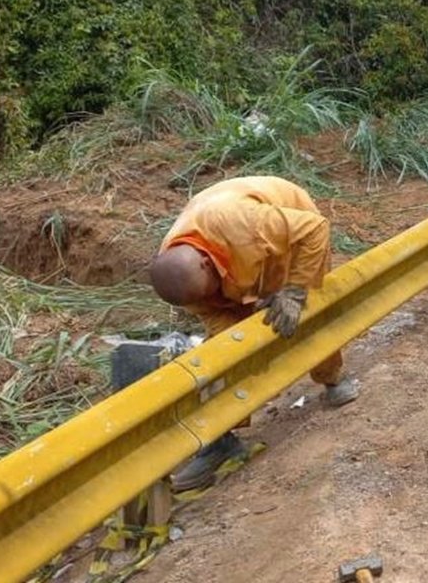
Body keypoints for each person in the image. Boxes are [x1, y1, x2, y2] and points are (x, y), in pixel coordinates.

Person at [150, 174, 359, 491]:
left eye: (213, 291)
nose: (209, 299)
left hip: (289, 239)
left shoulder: (246, 223)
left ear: (208, 265)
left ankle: (333, 377)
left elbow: (316, 229)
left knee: (303, 314)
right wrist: (241, 354)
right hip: (234, 262)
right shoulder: (179, 276)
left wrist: (294, 291)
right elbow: (215, 316)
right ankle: (222, 437)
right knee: (226, 351)